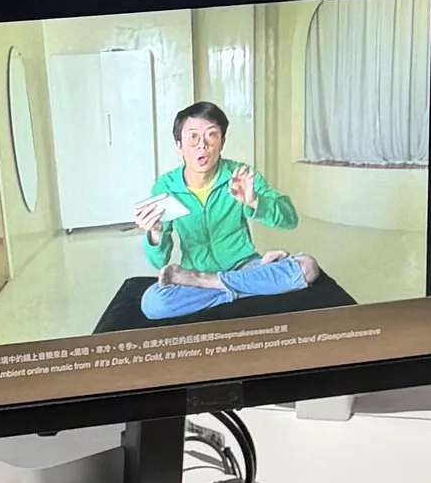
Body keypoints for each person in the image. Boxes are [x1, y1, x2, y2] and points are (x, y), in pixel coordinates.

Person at [131, 102, 320, 321]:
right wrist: (155, 233)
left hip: (242, 265)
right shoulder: (166, 186)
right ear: (179, 146)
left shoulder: (240, 175)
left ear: (222, 142)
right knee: (153, 302)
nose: (202, 145)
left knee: (308, 266)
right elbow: (158, 262)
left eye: (211, 135)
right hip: (206, 270)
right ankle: (249, 285)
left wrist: (255, 201)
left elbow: (290, 219)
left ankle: (211, 282)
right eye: (192, 137)